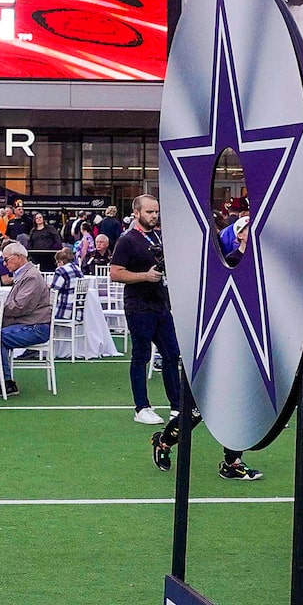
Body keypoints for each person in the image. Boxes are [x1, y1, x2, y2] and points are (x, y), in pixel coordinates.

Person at [115, 194, 203, 464]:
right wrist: (145, 276)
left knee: (172, 354)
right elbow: (116, 272)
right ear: (136, 212)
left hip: (161, 304)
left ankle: (177, 405)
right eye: (150, 211)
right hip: (139, 305)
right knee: (141, 355)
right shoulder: (127, 240)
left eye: (156, 211)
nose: (154, 215)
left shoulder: (158, 238)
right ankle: (141, 406)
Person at [0, 242, 53, 392]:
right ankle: (0, 379)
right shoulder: (26, 275)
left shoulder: (31, 277)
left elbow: (20, 307)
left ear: (19, 257)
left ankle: (5, 381)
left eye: (6, 259)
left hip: (35, 327)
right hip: (32, 325)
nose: (4, 263)